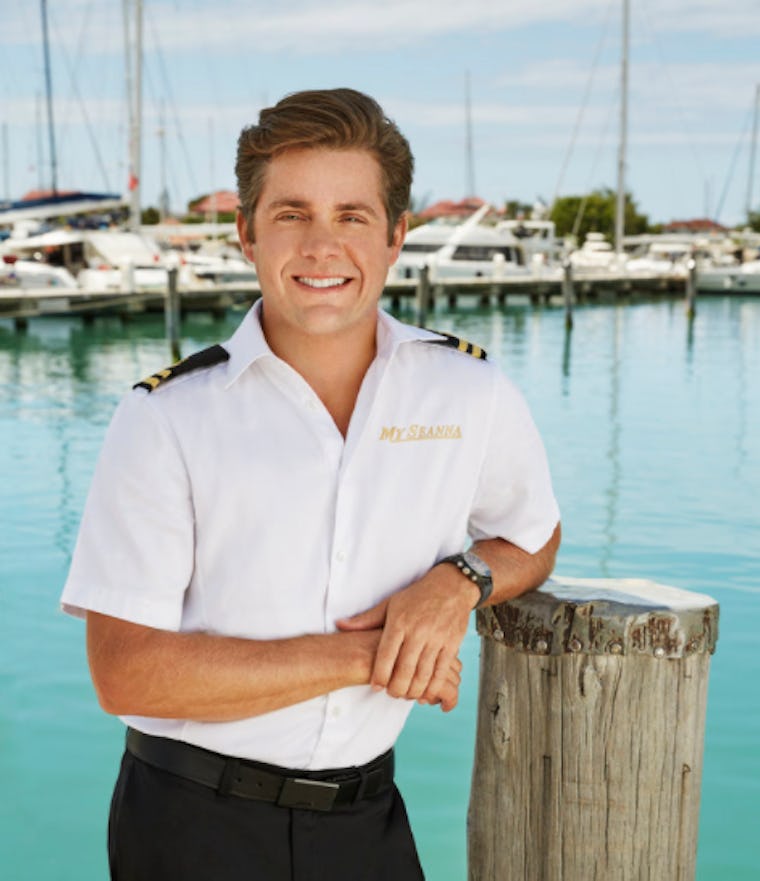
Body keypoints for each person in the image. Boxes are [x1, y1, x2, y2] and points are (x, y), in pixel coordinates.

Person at [61, 87, 561, 881]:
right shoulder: (166, 416)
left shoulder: (468, 391)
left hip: (368, 824)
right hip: (191, 826)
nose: (322, 247)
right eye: (292, 213)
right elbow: (126, 669)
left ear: (397, 234)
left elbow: (532, 533)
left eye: (352, 216)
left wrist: (457, 582)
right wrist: (374, 656)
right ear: (246, 232)